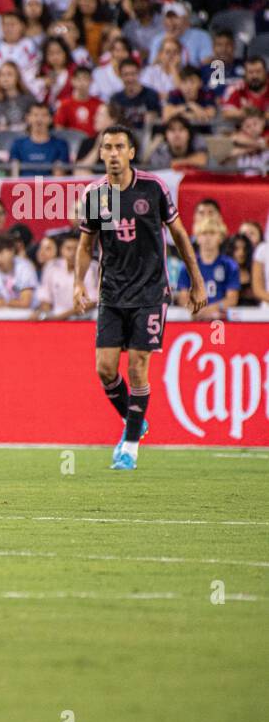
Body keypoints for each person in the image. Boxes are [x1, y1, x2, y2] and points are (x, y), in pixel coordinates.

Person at [73, 125, 206, 471]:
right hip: (111, 292)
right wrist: (78, 283)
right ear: (100, 153)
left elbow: (178, 234)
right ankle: (134, 422)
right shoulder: (96, 196)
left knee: (137, 366)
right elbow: (86, 245)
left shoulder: (153, 188)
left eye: (120, 147)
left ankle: (130, 446)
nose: (113, 153)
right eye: (107, 147)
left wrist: (197, 280)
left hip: (150, 291)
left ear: (131, 152)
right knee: (104, 369)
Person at [175, 212, 240, 319]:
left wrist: (209, 311)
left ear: (221, 237)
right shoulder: (188, 265)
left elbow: (232, 299)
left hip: (220, 319)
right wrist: (196, 310)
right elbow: (183, 296)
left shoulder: (230, 265)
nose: (207, 238)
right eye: (204, 233)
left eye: (212, 233)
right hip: (194, 318)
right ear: (197, 237)